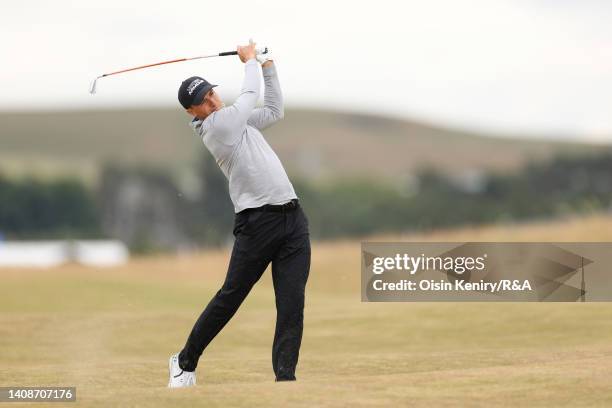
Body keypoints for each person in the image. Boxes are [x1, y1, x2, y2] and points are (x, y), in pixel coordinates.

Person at [168, 39, 311, 387]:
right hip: (257, 223)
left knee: (291, 303)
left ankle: (285, 381)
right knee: (231, 297)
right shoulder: (218, 128)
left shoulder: (237, 122)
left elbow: (274, 110)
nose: (213, 100)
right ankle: (184, 362)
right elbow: (248, 97)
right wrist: (248, 61)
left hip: (292, 219)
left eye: (212, 93)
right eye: (203, 101)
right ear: (193, 112)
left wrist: (267, 65)